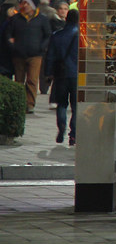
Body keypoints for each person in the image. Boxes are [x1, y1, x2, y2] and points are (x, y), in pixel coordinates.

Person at [4, 0, 52, 113]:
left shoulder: (42, 19)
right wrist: (13, 46)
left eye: (27, 4)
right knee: (19, 80)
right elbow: (8, 34)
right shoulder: (16, 19)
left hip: (35, 55)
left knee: (32, 80)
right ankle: (19, 102)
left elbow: (47, 35)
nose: (25, 6)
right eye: (23, 3)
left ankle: (30, 104)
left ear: (33, 6)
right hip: (18, 55)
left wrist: (42, 47)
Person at [46, 9, 79, 146]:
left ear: (66, 19)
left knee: (62, 103)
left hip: (61, 74)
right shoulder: (82, 35)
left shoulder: (57, 35)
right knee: (77, 106)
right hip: (77, 75)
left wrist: (48, 73)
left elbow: (50, 56)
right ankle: (74, 135)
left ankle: (61, 127)